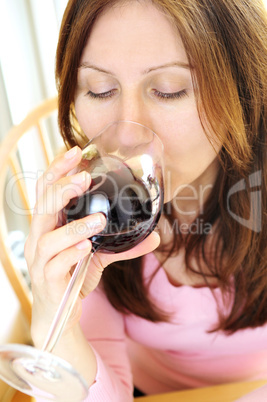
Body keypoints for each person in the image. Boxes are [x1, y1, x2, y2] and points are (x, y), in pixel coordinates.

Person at [25, 0, 267, 400]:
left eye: (169, 92)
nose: (126, 134)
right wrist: (58, 325)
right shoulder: (93, 207)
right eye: (100, 90)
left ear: (242, 90)